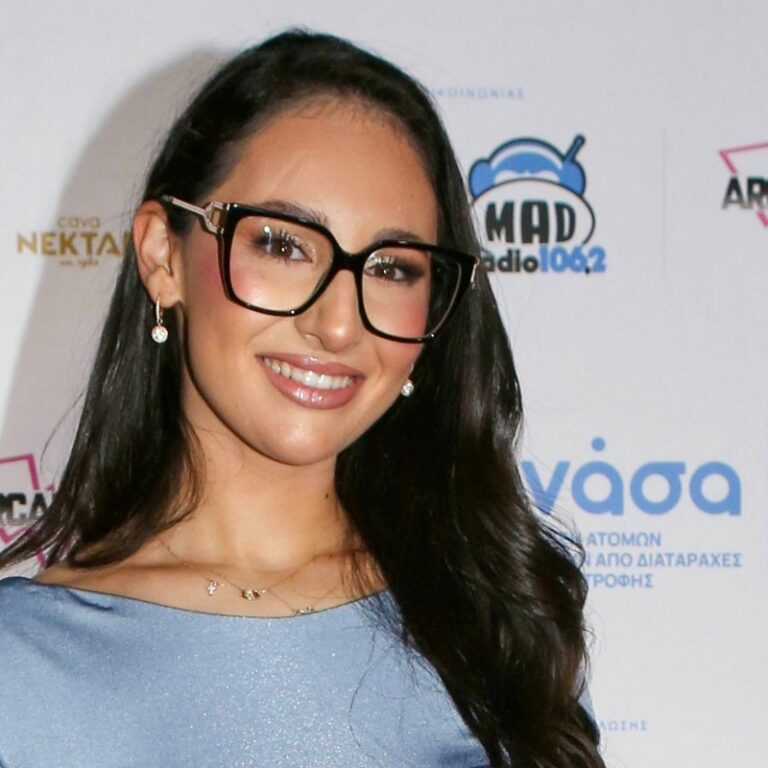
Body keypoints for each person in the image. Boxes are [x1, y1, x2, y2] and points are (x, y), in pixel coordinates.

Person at [0, 30, 605, 768]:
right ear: (163, 256)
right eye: (283, 245)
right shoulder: (23, 667)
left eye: (392, 268)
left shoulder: (495, 622)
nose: (339, 324)